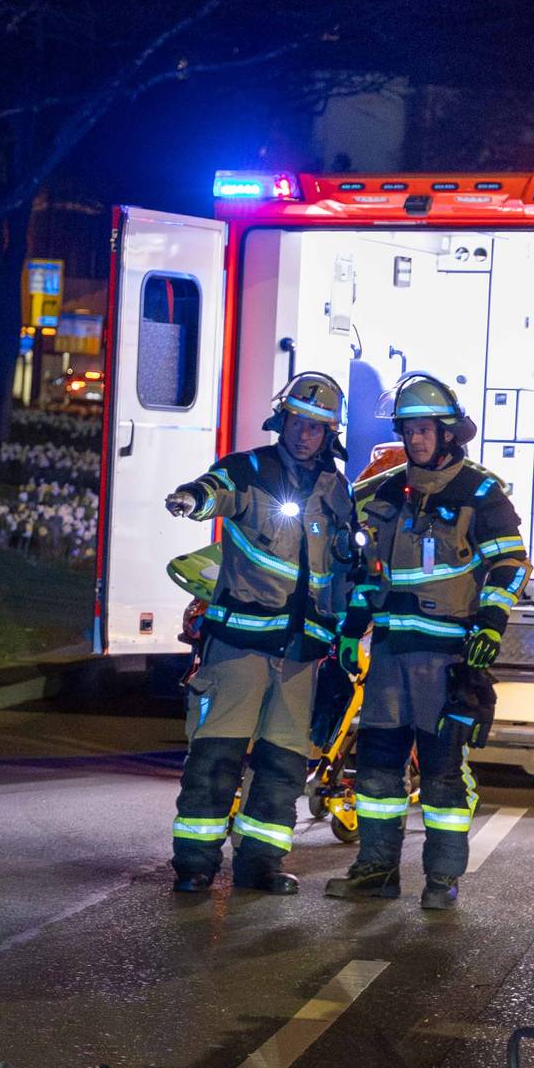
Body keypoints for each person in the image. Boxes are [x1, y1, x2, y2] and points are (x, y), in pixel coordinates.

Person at [324, 373, 528, 912]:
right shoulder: (385, 492)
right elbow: (369, 572)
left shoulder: (481, 493)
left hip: (445, 660)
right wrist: (352, 628)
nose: (415, 439)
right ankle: (376, 870)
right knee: (376, 769)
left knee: (441, 772)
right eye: (408, 429)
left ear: (448, 433)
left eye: (425, 430)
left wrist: (490, 623)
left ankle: (441, 877)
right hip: (390, 655)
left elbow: (509, 563)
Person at [163, 372, 356, 895]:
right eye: (297, 421)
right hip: (239, 647)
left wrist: (348, 631)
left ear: (329, 434)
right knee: (215, 757)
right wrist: (192, 498)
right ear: (281, 420)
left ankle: (261, 864)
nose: (304, 434)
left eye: (316, 427)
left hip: (301, 655)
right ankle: (195, 864)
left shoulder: (336, 490)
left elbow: (344, 567)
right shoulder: (248, 469)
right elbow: (216, 490)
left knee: (282, 765)